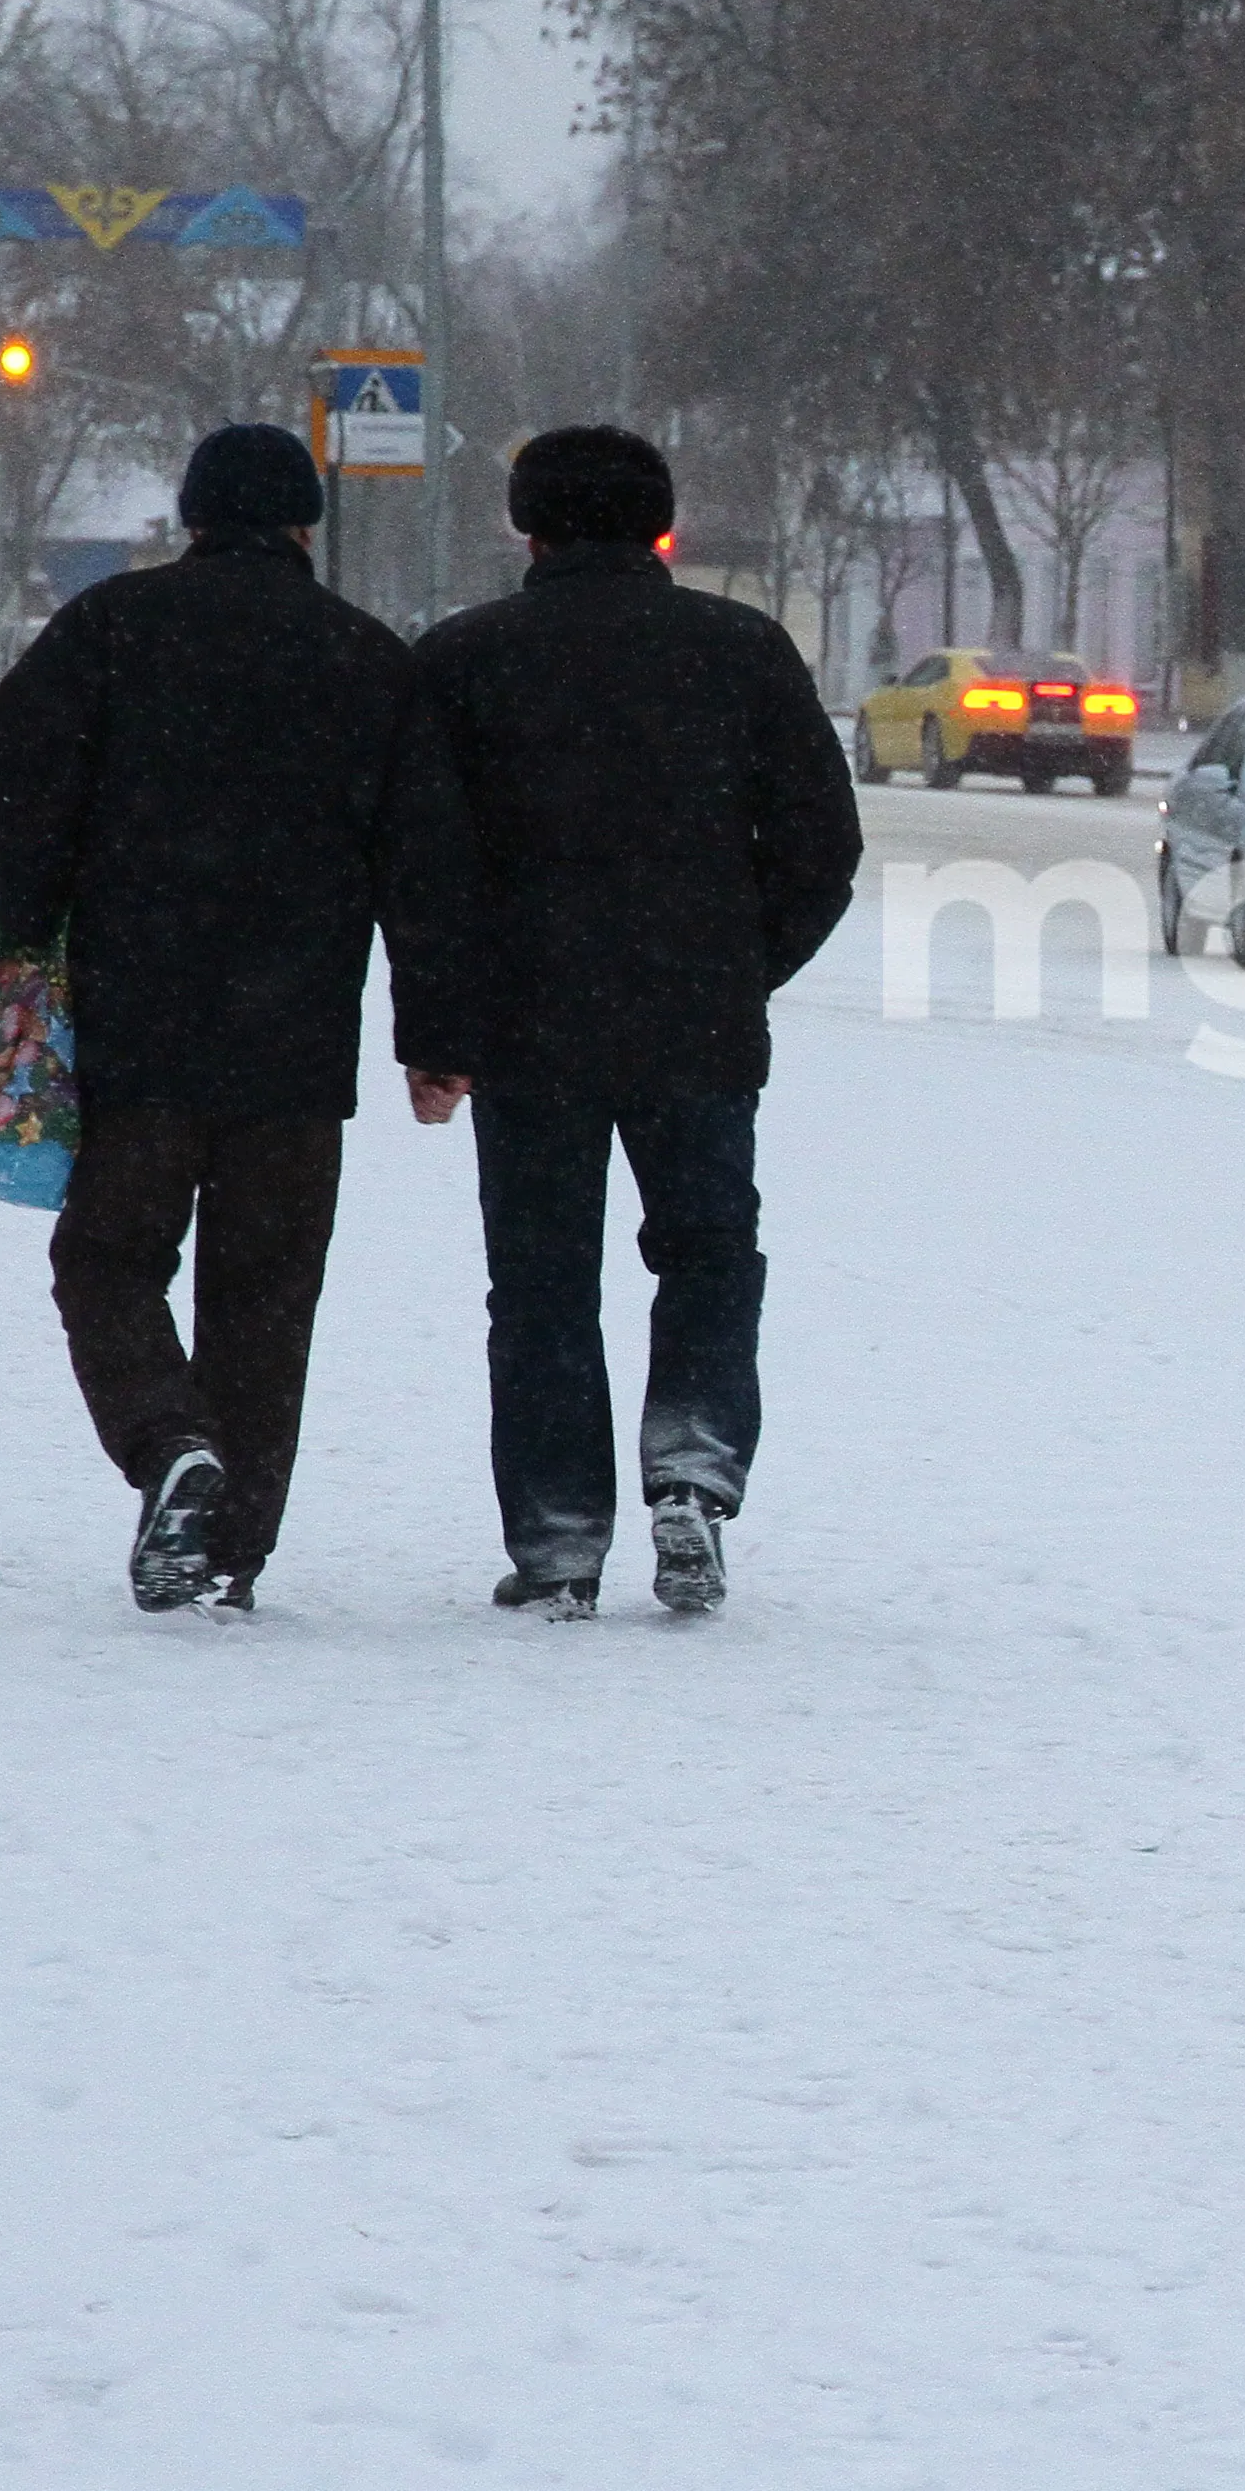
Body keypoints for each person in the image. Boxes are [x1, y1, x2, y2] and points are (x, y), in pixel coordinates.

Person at [387, 426, 862, 1618]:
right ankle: (693, 1466)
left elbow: (425, 870)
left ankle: (558, 1542)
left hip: (528, 1028)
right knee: (708, 1253)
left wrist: (439, 1032)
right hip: (695, 1024)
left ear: (528, 530)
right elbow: (822, 843)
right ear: (660, 528)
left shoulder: (464, 660)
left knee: (541, 1283)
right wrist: (740, 964)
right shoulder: (741, 651)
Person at [0, 426, 415, 1614]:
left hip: (140, 1029)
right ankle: (230, 1550)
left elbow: (16, 758)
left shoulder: (112, 628)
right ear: (306, 525)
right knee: (266, 1299)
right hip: (297, 1044)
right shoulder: (365, 656)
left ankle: (168, 1441)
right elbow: (423, 856)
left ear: (192, 516)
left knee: (106, 1260)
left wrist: (35, 914)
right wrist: (435, 1030)